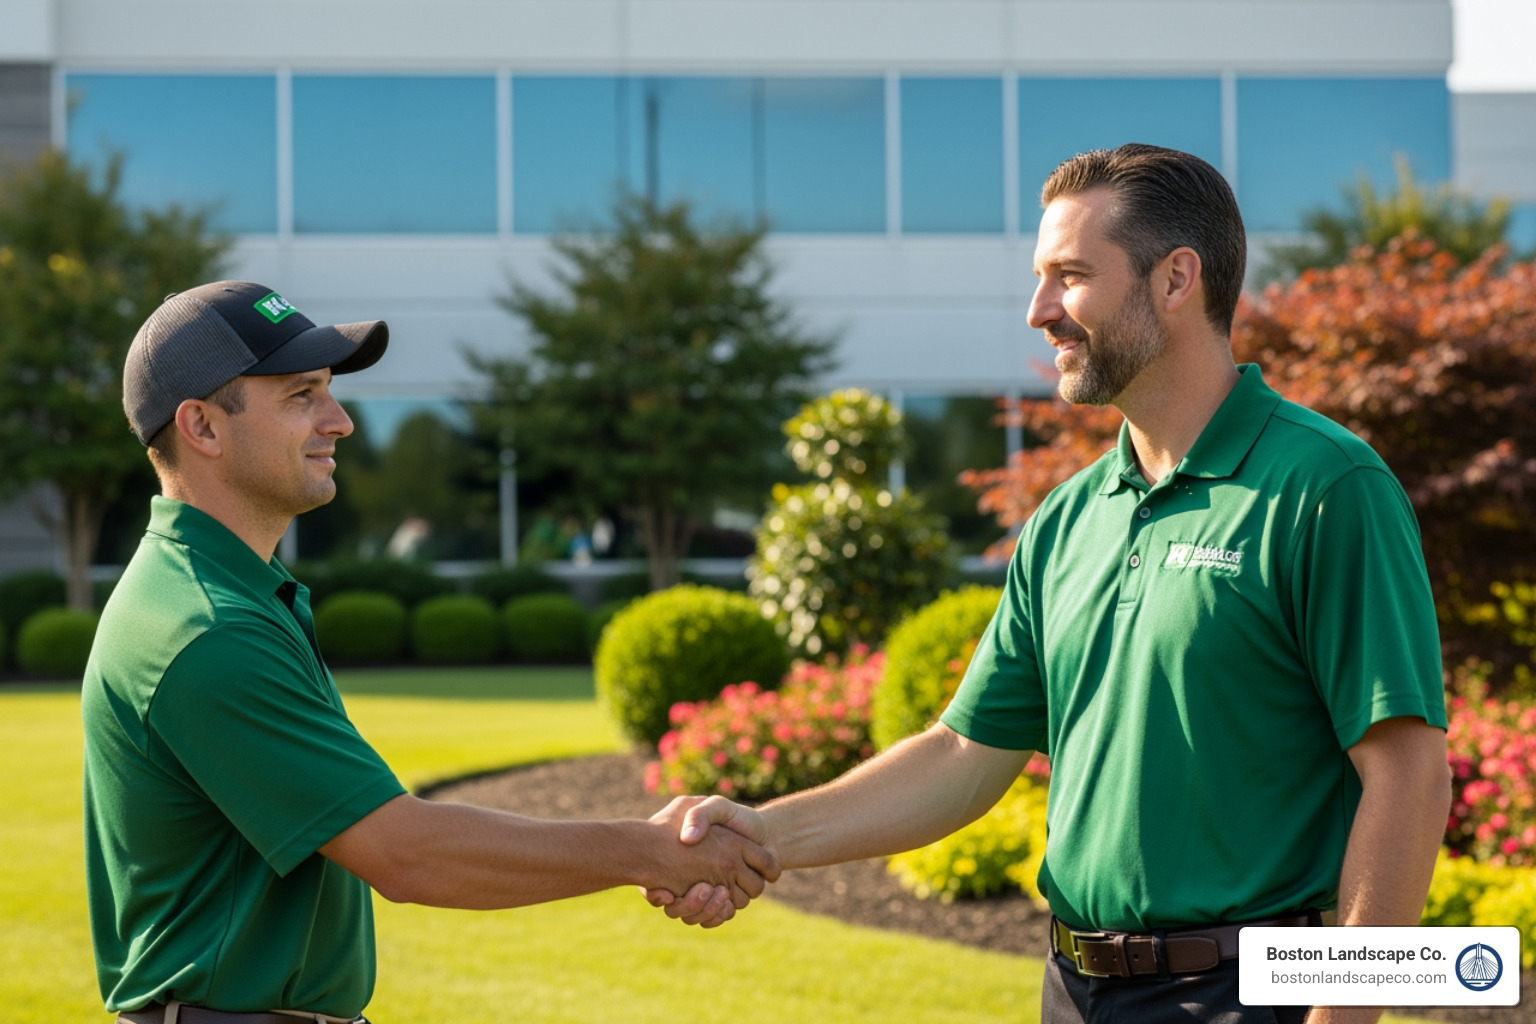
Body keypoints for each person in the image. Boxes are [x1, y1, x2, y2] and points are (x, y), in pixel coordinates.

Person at [650, 145, 1452, 1024]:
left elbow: (1409, 778)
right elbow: (963, 757)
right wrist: (766, 834)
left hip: (1249, 993)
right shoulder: (1070, 518)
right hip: (1072, 990)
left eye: (1070, 276)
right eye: (1041, 279)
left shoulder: (1327, 487)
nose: (1039, 311)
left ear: (1176, 279)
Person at [82, 280, 777, 1024]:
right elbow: (406, 852)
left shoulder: (217, 594)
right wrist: (649, 850)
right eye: (301, 395)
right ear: (202, 426)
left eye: (329, 392)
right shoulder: (208, 627)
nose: (340, 420)